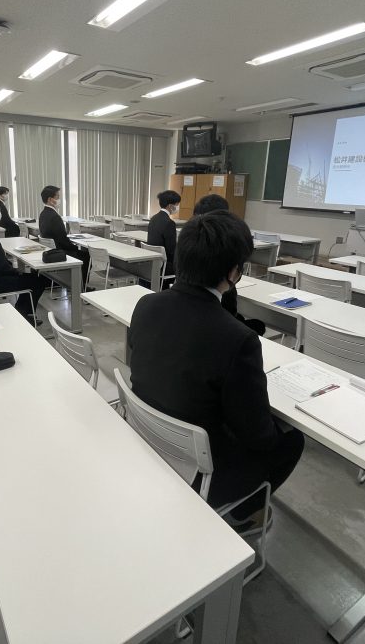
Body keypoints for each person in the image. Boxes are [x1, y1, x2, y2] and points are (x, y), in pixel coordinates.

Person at [128, 210, 304, 522]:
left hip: (149, 439)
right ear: (235, 272)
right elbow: (258, 437)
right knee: (292, 440)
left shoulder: (146, 304)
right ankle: (244, 512)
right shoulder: (238, 339)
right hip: (201, 471)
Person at [192, 194, 267, 336]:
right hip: (220, 323)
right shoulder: (227, 250)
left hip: (198, 316)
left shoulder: (189, 244)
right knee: (256, 326)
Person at [0, 192, 49, 325]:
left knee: (31, 276)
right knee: (40, 280)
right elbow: (1, 266)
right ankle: (23, 315)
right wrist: (17, 271)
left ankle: (22, 311)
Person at [38, 185, 90, 282]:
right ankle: (82, 288)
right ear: (50, 199)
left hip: (52, 251)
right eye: (57, 197)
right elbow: (63, 241)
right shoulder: (55, 217)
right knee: (86, 256)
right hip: (61, 252)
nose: (59, 199)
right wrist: (75, 247)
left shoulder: (43, 214)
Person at [147, 190, 180, 282]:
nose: (178, 207)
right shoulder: (169, 223)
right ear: (170, 206)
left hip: (153, 261)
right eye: (177, 205)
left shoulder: (153, 218)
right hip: (165, 265)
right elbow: (171, 250)